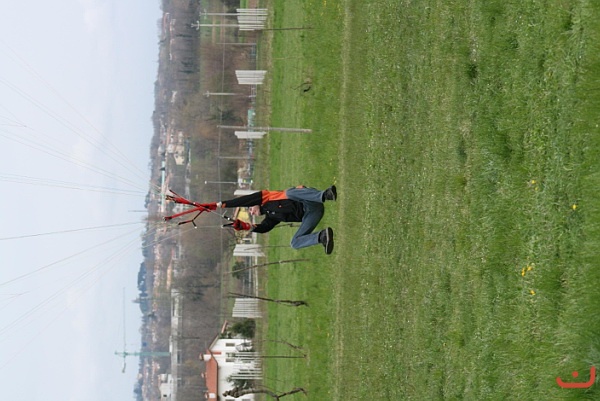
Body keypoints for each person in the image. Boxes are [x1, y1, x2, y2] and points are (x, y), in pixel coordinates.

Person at [208, 185, 337, 254]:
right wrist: (246, 227)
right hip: (311, 215)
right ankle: (322, 236)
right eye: (250, 212)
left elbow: (245, 200)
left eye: (250, 208)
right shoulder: (271, 217)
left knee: (289, 192)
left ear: (255, 203)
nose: (251, 212)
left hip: (310, 201)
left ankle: (326, 194)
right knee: (294, 243)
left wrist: (221, 204)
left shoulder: (268, 197)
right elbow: (264, 228)